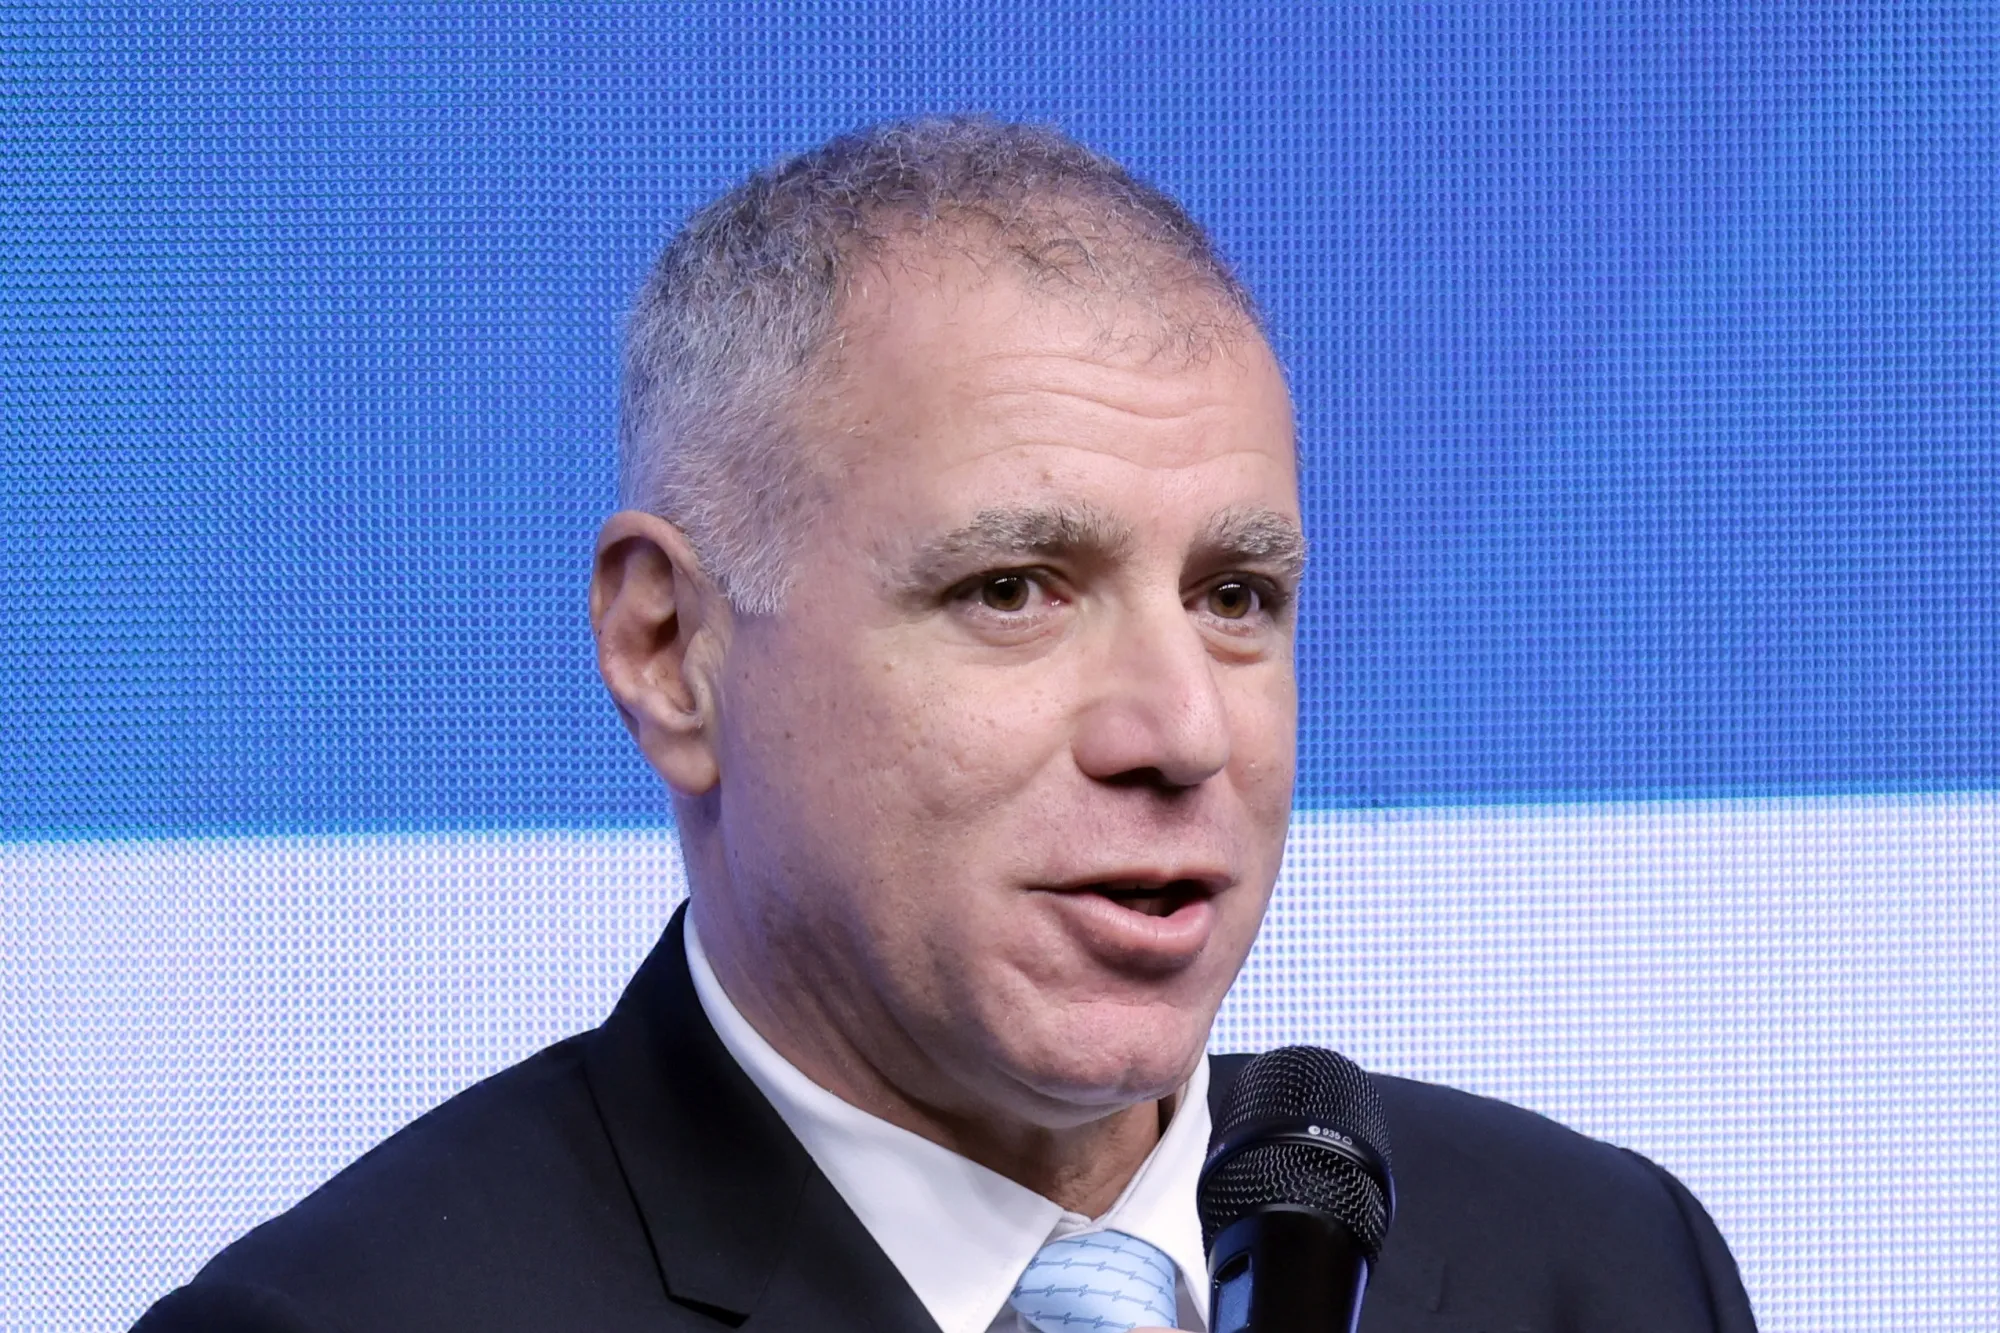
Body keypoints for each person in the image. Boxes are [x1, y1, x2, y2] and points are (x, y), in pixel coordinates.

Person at [134, 116, 1756, 1333]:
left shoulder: (1605, 1270)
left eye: (1237, 596)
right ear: (671, 650)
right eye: (1013, 589)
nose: (1182, 731)